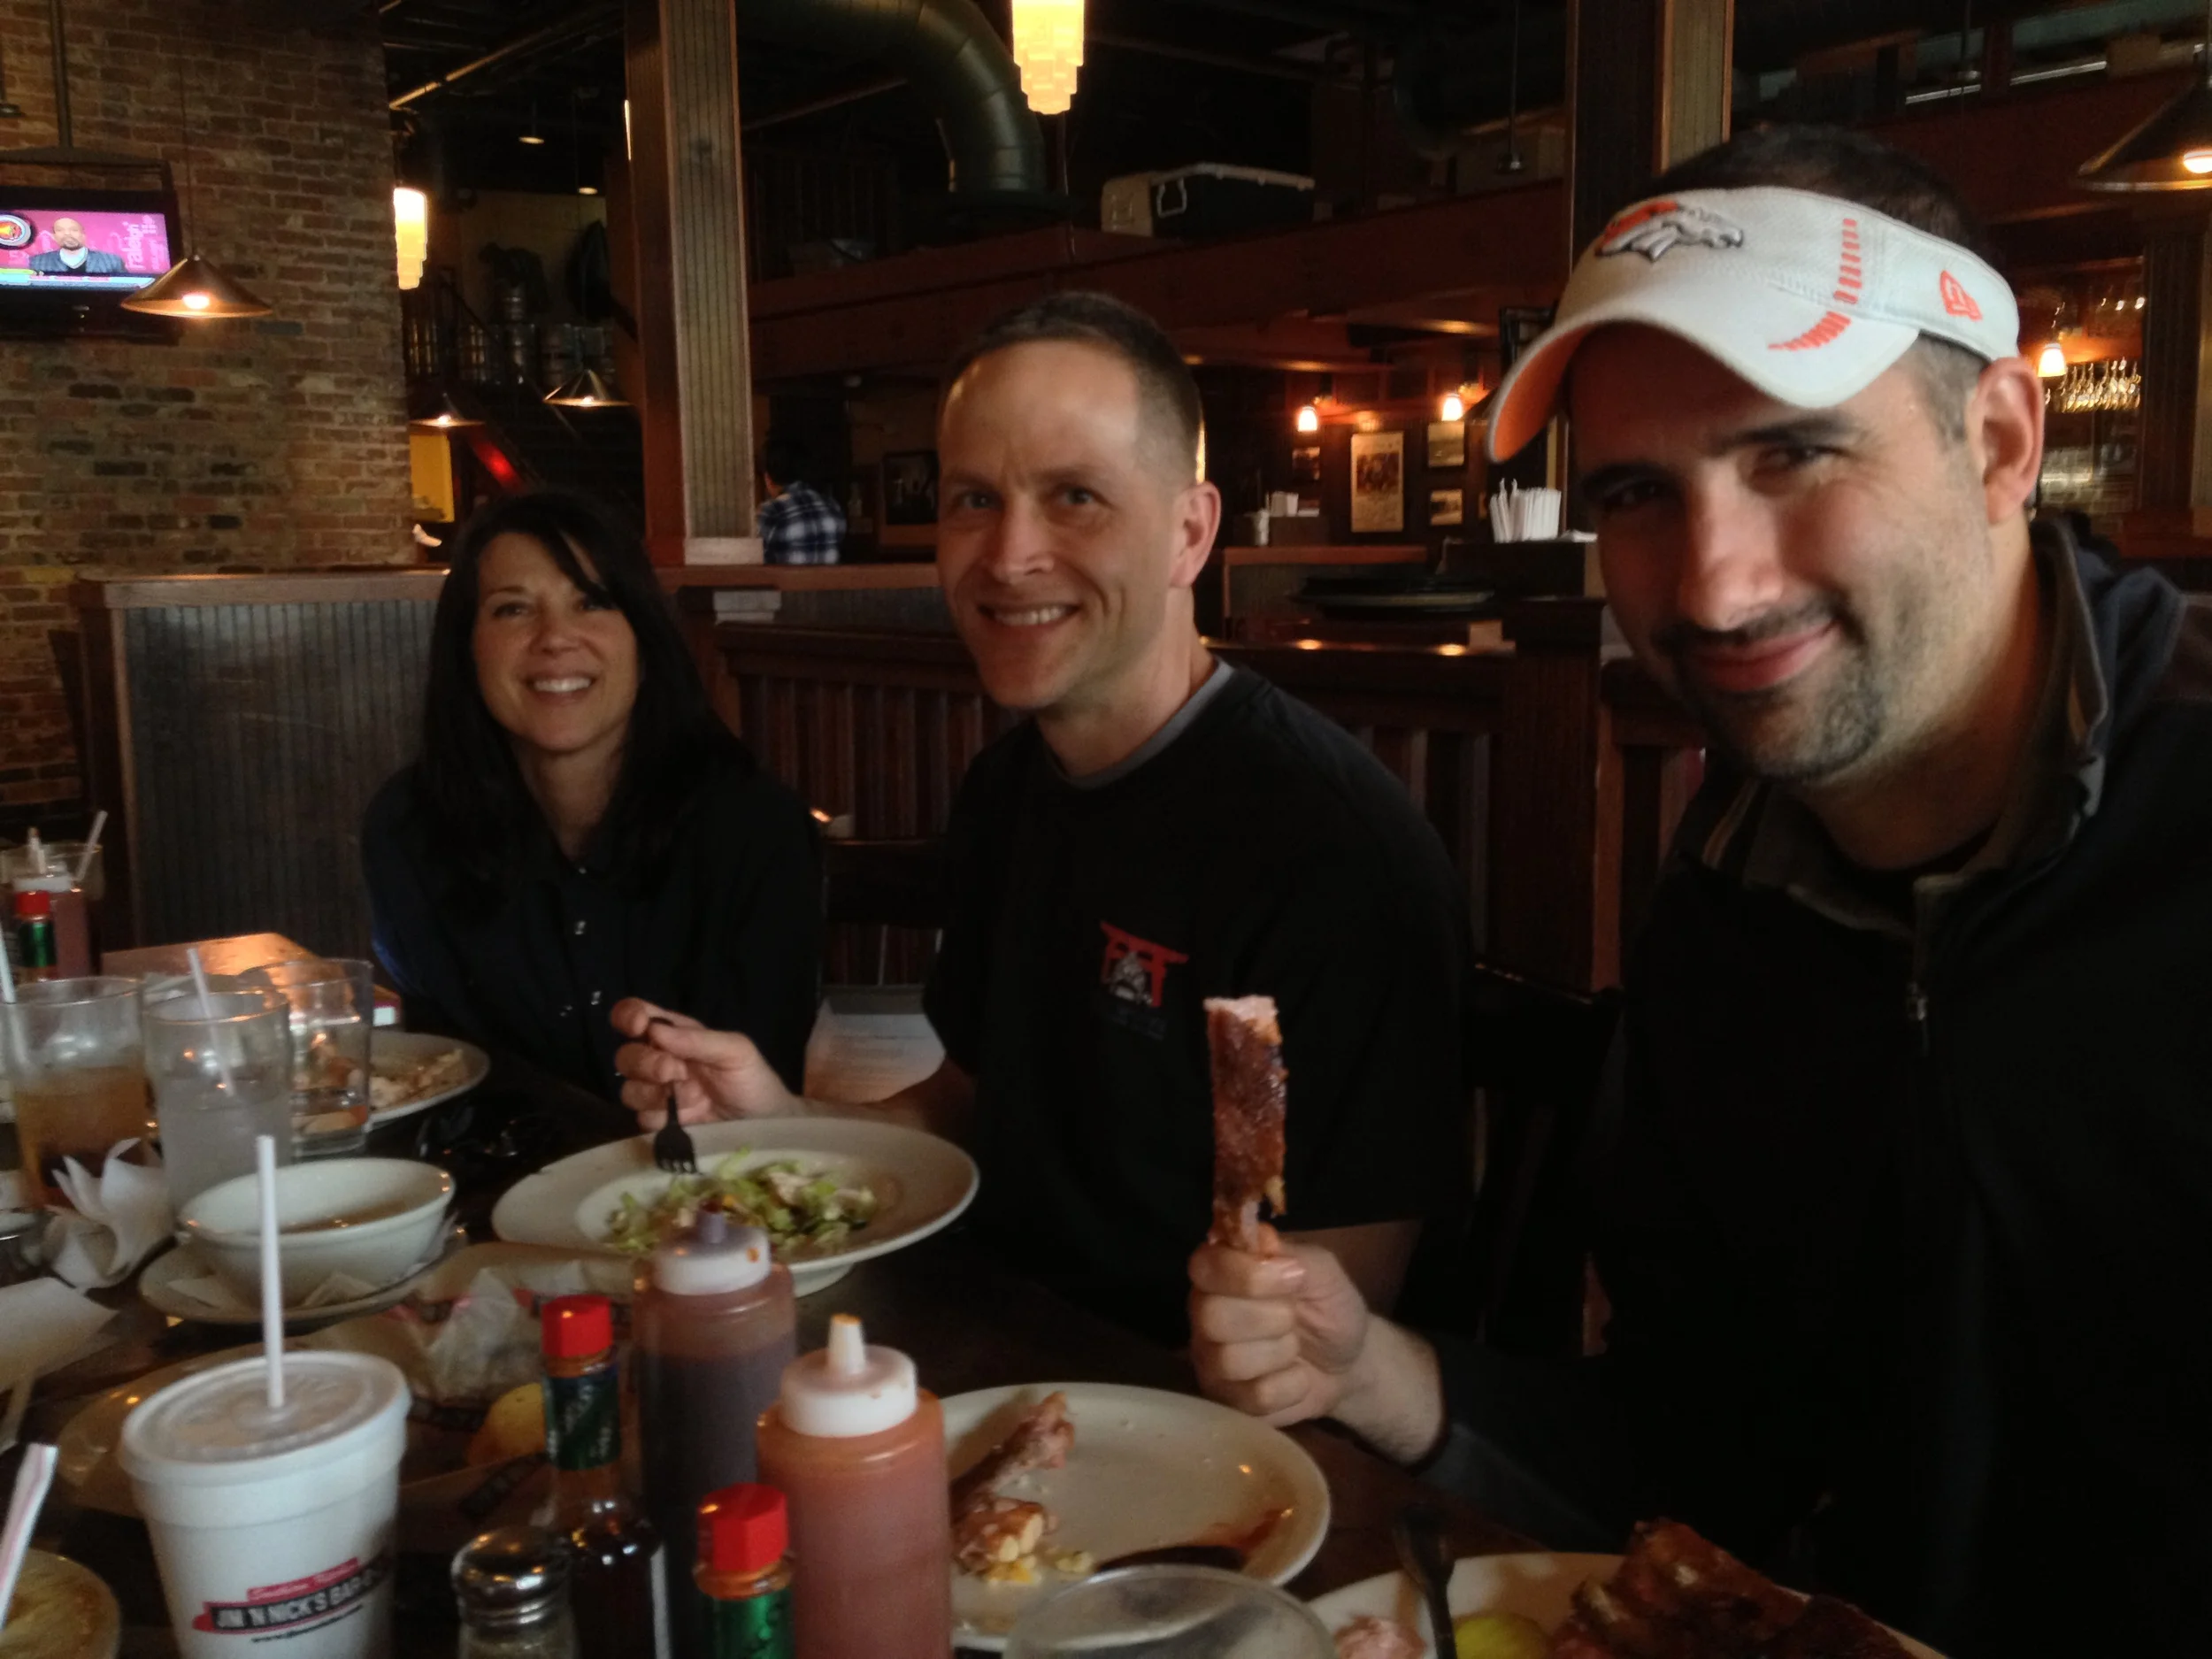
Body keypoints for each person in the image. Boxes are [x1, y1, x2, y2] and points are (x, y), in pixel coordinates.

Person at [1187, 125, 2212, 1657]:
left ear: (1999, 440)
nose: (1716, 584)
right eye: (1640, 496)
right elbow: (1698, 1452)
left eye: (1792, 453)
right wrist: (1370, 1372)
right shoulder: (1731, 889)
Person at [614, 292, 1472, 1344]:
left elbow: (1336, 1324)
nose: (1009, 555)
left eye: (1074, 496)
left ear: (1189, 533)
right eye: (974, 499)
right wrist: (781, 1116)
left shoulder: (1332, 851)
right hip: (980, 1331)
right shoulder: (1007, 789)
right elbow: (965, 1108)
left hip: (1193, 1427)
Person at [363, 489, 822, 1107]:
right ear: (465, 646)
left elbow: (760, 1100)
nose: (556, 637)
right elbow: (443, 1081)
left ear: (643, 636)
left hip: (701, 1186)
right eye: (512, 610)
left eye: (592, 601)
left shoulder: (756, 830)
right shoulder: (408, 831)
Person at [756, 434, 845, 565]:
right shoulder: (832, 507)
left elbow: (754, 559)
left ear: (768, 478)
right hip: (826, 585)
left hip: (784, 585)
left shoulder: (771, 511)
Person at [28, 218, 126, 276]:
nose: (67, 234)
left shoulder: (112, 260)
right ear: (54, 236)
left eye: (74, 230)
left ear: (83, 234)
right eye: (60, 230)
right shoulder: (37, 261)